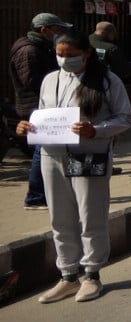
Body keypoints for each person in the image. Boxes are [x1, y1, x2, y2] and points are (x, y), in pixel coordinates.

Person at [16, 29, 131, 303]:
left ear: (87, 53)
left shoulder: (106, 80)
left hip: (89, 156)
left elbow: (126, 119)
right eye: (59, 54)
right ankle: (68, 275)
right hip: (51, 156)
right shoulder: (50, 79)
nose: (64, 59)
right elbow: (44, 114)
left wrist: (96, 130)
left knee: (90, 217)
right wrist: (28, 127)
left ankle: (92, 274)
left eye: (71, 55)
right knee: (60, 218)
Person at [9, 12, 72, 210]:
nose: (59, 33)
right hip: (36, 107)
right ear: (44, 30)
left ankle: (44, 194)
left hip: (44, 105)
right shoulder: (28, 51)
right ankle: (35, 197)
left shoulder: (40, 48)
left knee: (46, 150)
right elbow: (33, 81)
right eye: (57, 29)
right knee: (42, 151)